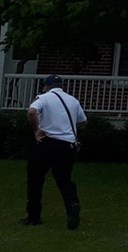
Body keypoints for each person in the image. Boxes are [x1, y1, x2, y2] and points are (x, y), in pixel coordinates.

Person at [23, 75, 86, 229]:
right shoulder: (73, 100)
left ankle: (33, 216)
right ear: (61, 85)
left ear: (46, 86)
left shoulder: (43, 98)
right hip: (68, 145)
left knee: (35, 179)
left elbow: (31, 112)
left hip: (47, 143)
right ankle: (72, 205)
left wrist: (36, 130)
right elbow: (83, 121)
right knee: (64, 180)